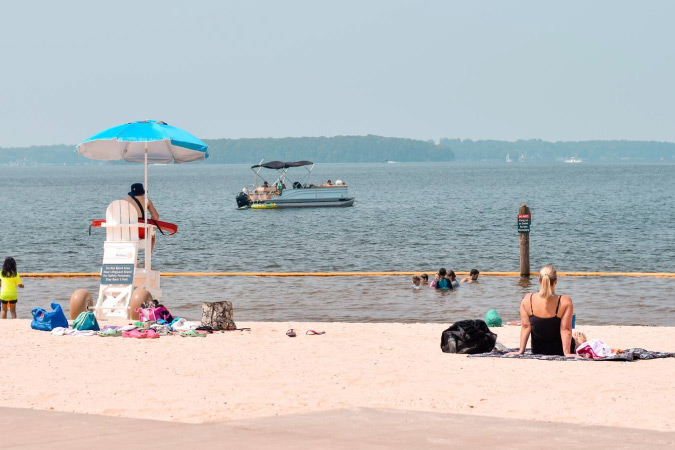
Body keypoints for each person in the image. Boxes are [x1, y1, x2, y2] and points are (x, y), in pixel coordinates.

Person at [508, 265, 576, 357]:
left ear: (539, 280)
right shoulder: (565, 301)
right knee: (580, 339)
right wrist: (567, 353)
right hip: (559, 350)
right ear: (556, 281)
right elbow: (565, 329)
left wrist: (521, 350)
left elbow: (525, 327)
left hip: (538, 350)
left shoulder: (527, 299)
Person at [126, 183, 160, 251]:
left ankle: (134, 257)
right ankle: (148, 258)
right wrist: (150, 224)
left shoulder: (124, 201)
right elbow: (155, 216)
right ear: (143, 192)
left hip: (124, 230)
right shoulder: (146, 201)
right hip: (140, 230)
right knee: (152, 234)